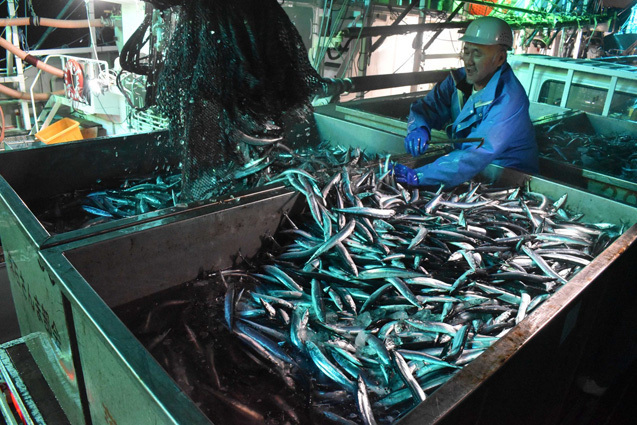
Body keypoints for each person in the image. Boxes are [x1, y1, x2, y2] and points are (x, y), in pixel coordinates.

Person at [393, 16, 538, 187]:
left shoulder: (509, 99)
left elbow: (477, 152)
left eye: (477, 53)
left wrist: (420, 176)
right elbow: (427, 107)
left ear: (500, 58)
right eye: (466, 51)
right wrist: (419, 128)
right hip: (469, 170)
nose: (468, 60)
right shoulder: (458, 79)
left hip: (508, 178)